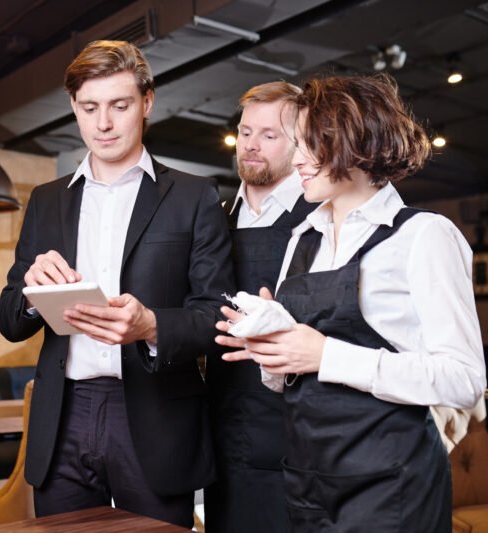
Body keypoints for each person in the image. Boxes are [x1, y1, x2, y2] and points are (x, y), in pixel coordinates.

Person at [216, 74, 486, 532]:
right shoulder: (303, 239)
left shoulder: (423, 235)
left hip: (391, 481)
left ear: (355, 142)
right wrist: (273, 350)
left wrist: (325, 354)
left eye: (308, 144)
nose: (296, 159)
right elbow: (289, 381)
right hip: (306, 479)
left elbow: (464, 381)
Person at [0, 40, 233, 528]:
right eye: (90, 108)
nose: (103, 123)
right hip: (62, 415)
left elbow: (217, 316)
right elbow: (10, 320)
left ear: (147, 102)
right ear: (74, 107)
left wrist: (151, 326)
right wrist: (33, 294)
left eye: (119, 106)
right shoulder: (45, 200)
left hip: (155, 415)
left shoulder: (194, 197)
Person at [205, 81, 314, 533]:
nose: (251, 145)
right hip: (222, 422)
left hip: (294, 429)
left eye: (269, 135)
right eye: (246, 132)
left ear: (300, 143)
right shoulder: (213, 219)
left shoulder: (319, 219)